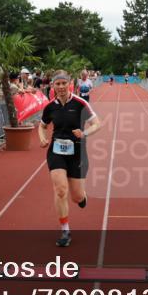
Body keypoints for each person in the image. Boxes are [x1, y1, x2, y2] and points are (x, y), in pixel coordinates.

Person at [38, 70, 101, 247]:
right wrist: (42, 138)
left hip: (77, 153)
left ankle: (82, 198)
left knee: (76, 196)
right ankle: (65, 230)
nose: (61, 87)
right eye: (57, 84)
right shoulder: (50, 107)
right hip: (56, 152)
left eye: (63, 83)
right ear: (53, 86)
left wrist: (84, 132)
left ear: (70, 83)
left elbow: (97, 123)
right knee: (60, 190)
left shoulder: (80, 104)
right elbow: (42, 126)